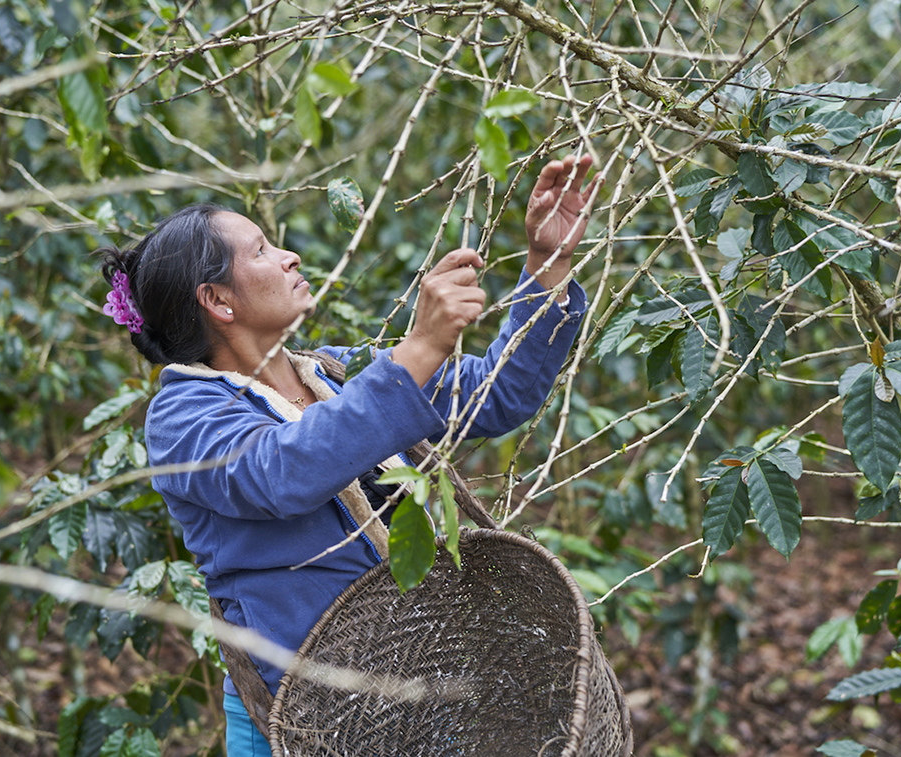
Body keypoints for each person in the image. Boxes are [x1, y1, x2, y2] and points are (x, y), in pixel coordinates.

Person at [99, 155, 596, 755]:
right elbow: (283, 472)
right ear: (219, 302)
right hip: (298, 720)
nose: (289, 257)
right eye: (261, 251)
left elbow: (499, 392)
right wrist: (419, 349)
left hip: (413, 702)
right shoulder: (182, 419)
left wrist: (548, 263)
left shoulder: (335, 373)